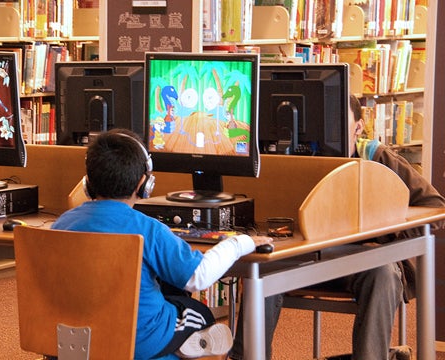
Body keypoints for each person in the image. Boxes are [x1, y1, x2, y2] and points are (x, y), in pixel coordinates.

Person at [229, 95, 445, 360]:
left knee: (384, 273)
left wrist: (386, 238)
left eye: (337, 123)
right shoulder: (291, 158)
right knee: (259, 267)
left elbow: (435, 206)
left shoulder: (375, 156)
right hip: (301, 255)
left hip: (363, 257)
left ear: (359, 127)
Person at [51, 129, 273, 359]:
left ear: (88, 183)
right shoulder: (147, 229)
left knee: (167, 286)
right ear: (143, 184)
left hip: (74, 337)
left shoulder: (62, 224)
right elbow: (199, 276)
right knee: (200, 314)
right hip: (141, 340)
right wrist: (238, 244)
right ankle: (183, 344)